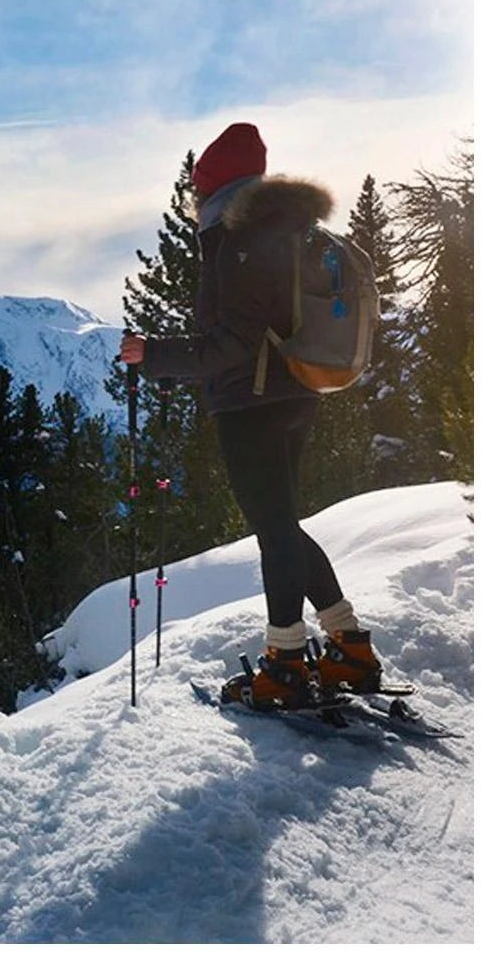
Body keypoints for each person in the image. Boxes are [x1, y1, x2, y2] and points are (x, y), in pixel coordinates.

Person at [119, 122, 381, 709]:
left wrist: (155, 356)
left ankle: (285, 664)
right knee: (282, 523)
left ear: (211, 188)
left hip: (253, 401)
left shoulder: (238, 240)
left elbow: (234, 342)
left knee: (275, 530)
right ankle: (349, 645)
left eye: (197, 188)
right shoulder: (286, 229)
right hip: (295, 394)